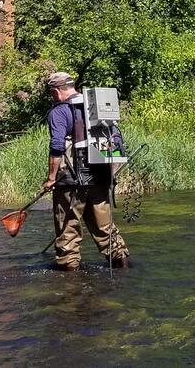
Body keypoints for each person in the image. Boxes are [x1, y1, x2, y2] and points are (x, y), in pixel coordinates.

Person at [41, 71, 129, 271]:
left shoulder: (59, 111)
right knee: (106, 230)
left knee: (68, 232)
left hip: (70, 182)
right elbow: (116, 143)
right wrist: (110, 177)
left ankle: (70, 286)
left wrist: (51, 178)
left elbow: (56, 146)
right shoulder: (98, 108)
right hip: (100, 179)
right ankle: (123, 268)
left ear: (55, 92)